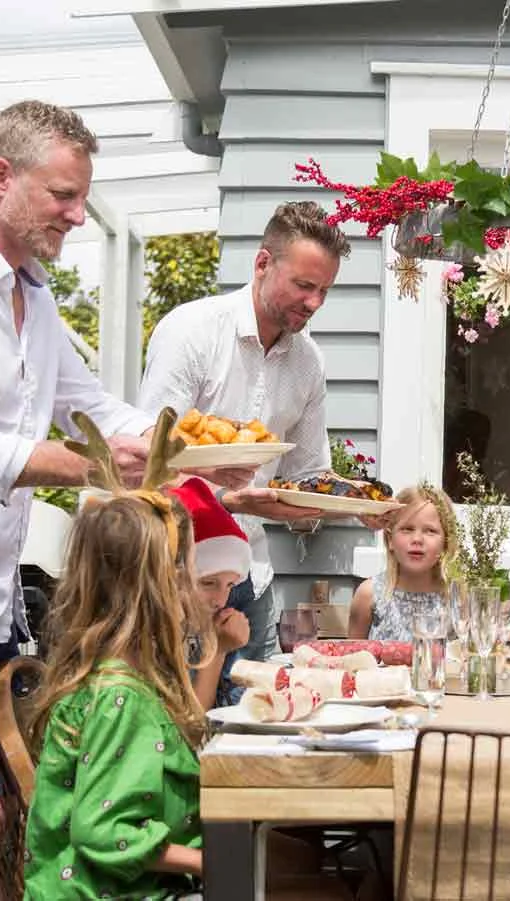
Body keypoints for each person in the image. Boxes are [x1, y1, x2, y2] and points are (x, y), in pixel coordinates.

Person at [0, 100, 249, 900]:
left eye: (81, 197)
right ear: (1, 177)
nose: (77, 214)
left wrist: (200, 456)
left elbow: (93, 409)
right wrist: (85, 463)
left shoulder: (35, 298)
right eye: (63, 194)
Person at [138, 201, 357, 702]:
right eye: (304, 285)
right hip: (179, 576)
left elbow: (308, 476)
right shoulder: (192, 330)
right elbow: (150, 457)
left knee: (252, 722)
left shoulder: (308, 363)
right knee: (177, 722)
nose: (314, 303)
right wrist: (228, 499)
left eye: (324, 290)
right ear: (262, 263)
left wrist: (358, 507)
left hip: (252, 577)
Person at [23, 492, 212, 900]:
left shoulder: (113, 681)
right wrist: (209, 862)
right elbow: (104, 830)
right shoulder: (121, 699)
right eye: (189, 570)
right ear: (164, 585)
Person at [166, 477, 253, 708]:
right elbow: (191, 720)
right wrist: (218, 651)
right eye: (208, 583)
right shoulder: (156, 633)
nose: (221, 600)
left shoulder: (193, 625)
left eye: (230, 585)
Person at [349, 484, 459, 641]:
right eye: (407, 529)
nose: (417, 539)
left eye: (430, 531)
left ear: (446, 543)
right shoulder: (369, 595)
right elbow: (354, 653)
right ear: (390, 540)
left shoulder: (456, 597)